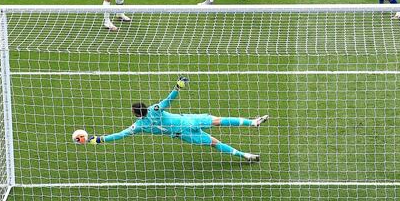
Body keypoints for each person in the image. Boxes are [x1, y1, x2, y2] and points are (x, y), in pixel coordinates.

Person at [86, 77, 269, 163]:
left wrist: (98, 139)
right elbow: (168, 100)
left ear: (136, 114)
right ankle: (252, 122)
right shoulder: (155, 110)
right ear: (145, 107)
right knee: (219, 120)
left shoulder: (138, 126)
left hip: (183, 134)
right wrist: (178, 86)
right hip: (188, 121)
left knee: (214, 143)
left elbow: (119, 135)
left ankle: (245, 155)